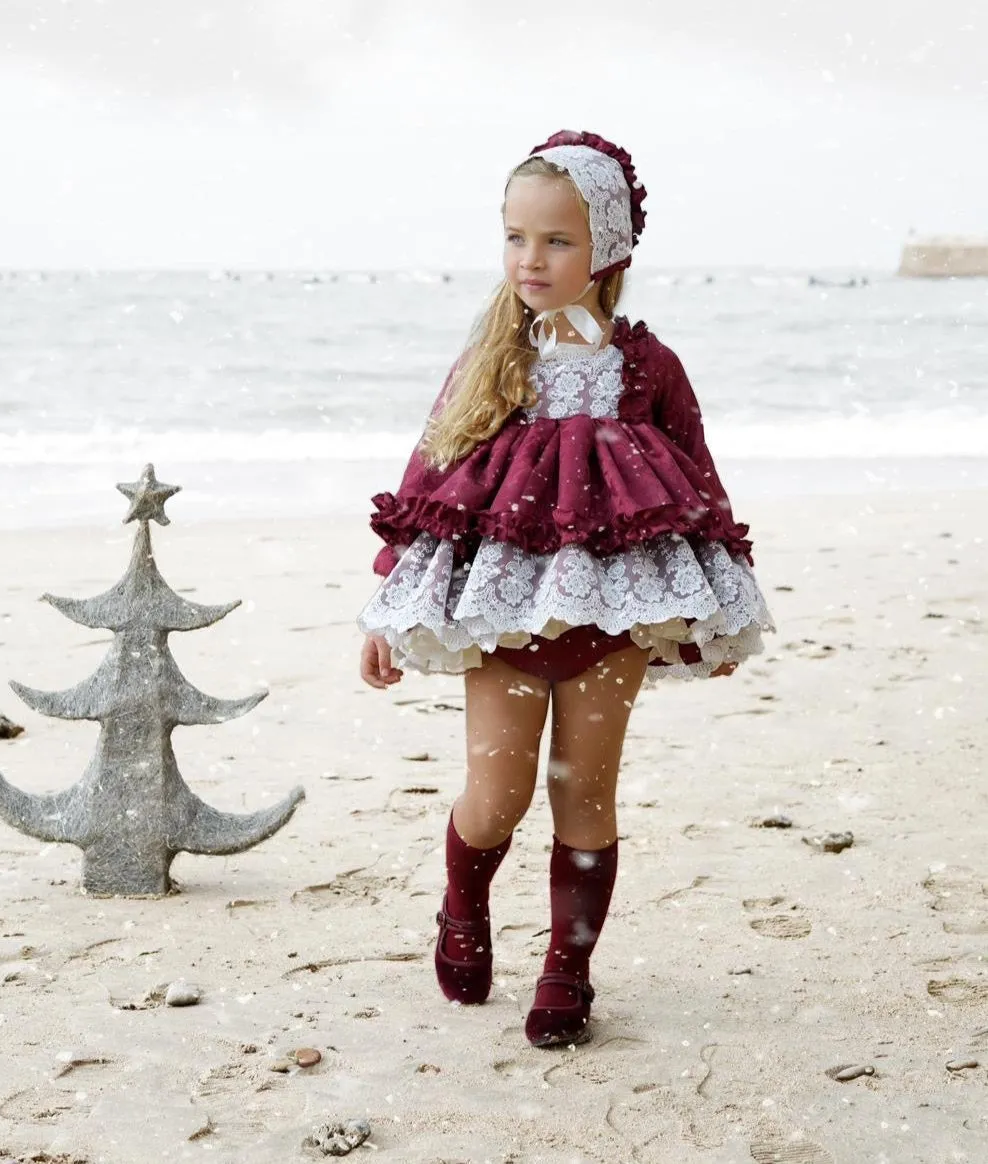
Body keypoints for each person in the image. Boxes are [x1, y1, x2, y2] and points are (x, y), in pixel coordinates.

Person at [356, 130, 775, 1049]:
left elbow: (700, 486)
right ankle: (462, 907)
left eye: (556, 241)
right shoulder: (491, 363)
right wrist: (389, 601)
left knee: (586, 792)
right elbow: (428, 482)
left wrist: (718, 616)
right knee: (497, 796)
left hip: (613, 614)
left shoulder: (647, 368)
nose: (530, 259)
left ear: (609, 249)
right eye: (515, 237)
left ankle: (567, 965)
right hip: (501, 614)